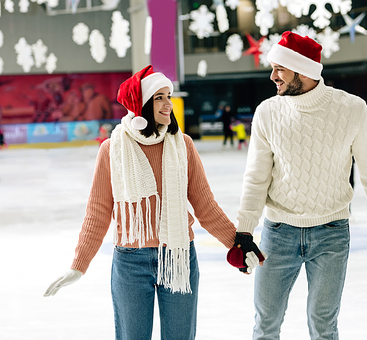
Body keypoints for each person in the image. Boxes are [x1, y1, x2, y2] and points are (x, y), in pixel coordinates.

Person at [44, 65, 254, 340]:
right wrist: (78, 264)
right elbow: (98, 212)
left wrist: (237, 244)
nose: (169, 104)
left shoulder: (183, 145)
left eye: (169, 96)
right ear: (141, 105)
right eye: (160, 98)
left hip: (178, 257)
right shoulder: (112, 149)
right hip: (131, 262)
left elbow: (205, 206)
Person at [233, 32, 367, 340]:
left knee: (323, 325)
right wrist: (244, 232)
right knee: (265, 323)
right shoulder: (268, 113)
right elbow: (256, 177)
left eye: (280, 69)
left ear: (303, 70)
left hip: (332, 234)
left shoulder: (352, 109)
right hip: (278, 233)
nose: (273, 76)